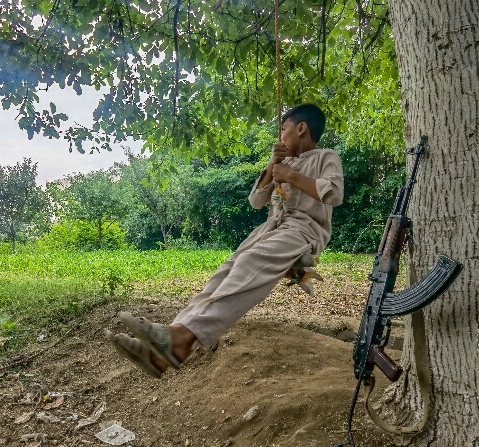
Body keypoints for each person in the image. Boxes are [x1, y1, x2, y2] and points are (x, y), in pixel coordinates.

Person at [105, 103, 344, 378]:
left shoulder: (326, 156)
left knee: (248, 264)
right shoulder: (283, 163)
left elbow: (334, 194)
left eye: (283, 129)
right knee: (224, 273)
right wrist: (272, 166)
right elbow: (256, 201)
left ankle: (180, 339)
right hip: (271, 229)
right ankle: (163, 351)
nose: (280, 137)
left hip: (303, 231)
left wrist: (290, 176)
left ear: (301, 128)